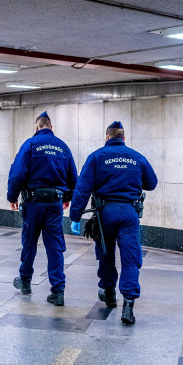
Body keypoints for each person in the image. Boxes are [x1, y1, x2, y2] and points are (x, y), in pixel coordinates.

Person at [69, 121, 157, 324]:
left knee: (106, 254)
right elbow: (151, 183)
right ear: (124, 138)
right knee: (131, 258)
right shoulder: (137, 157)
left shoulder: (96, 157)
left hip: (104, 214)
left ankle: (109, 293)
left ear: (107, 138)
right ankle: (128, 305)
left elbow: (82, 189)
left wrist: (75, 216)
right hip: (129, 214)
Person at [7, 111, 78, 306]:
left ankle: (26, 281)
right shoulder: (63, 147)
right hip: (55, 203)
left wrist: (11, 197)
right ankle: (58, 290)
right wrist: (68, 197)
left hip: (33, 203)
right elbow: (73, 176)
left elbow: (17, 173)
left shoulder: (30, 144)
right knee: (54, 245)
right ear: (51, 127)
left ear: (37, 127)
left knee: (29, 242)